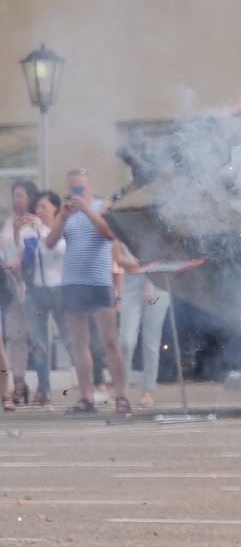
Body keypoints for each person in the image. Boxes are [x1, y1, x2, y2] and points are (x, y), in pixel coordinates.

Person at [45, 169, 128, 414]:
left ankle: (121, 395)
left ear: (89, 186)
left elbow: (109, 234)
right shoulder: (66, 214)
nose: (76, 192)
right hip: (72, 283)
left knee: (109, 341)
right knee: (79, 343)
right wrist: (62, 216)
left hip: (99, 282)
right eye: (73, 188)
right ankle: (86, 397)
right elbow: (50, 243)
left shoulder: (103, 207)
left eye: (80, 188)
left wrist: (87, 209)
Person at [0, 179, 42, 406]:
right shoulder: (8, 223)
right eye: (14, 195)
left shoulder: (35, 222)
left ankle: (42, 387)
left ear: (30, 198)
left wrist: (21, 265)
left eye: (20, 196)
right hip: (10, 285)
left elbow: (38, 250)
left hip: (30, 284)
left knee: (36, 335)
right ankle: (18, 384)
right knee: (16, 336)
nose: (16, 200)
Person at [116, 250, 172, 409]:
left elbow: (165, 254)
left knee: (151, 341)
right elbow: (119, 258)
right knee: (126, 341)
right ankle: (121, 392)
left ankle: (148, 390)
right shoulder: (122, 229)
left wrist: (151, 281)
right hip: (130, 285)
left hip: (157, 291)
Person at [20, 190, 60, 406]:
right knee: (39, 344)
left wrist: (41, 231)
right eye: (37, 207)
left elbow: (53, 246)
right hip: (36, 292)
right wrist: (21, 233)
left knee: (73, 341)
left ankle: (89, 387)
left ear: (55, 207)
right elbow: (22, 256)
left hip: (60, 292)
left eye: (44, 206)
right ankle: (45, 391)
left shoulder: (63, 229)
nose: (39, 211)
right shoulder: (30, 231)